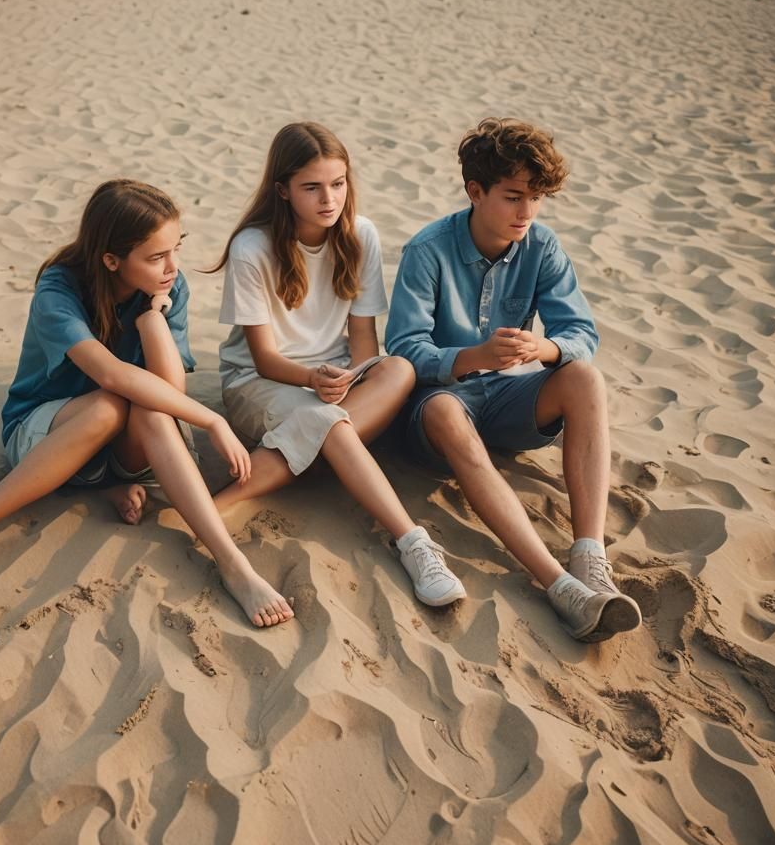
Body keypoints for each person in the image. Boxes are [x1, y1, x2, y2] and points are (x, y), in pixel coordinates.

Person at [0, 179, 293, 628]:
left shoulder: (169, 285)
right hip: (47, 432)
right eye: (156, 256)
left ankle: (234, 566)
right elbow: (111, 376)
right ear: (111, 260)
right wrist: (213, 421)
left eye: (177, 248)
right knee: (110, 404)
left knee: (149, 406)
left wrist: (152, 318)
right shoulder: (59, 289)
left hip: (132, 443)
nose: (173, 265)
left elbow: (171, 394)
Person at [385, 118, 642, 641]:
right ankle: (561, 587)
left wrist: (544, 347)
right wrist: (475, 356)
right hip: (437, 412)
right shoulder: (427, 250)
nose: (527, 211)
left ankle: (590, 560)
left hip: (505, 402)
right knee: (441, 408)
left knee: (585, 380)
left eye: (537, 198)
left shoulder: (541, 246)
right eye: (514, 196)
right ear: (475, 191)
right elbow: (404, 349)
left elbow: (579, 332)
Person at [210, 122, 465, 607]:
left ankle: (308, 453)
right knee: (329, 424)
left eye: (338, 184)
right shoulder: (251, 248)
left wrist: (354, 374)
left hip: (334, 381)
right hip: (259, 382)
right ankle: (413, 543)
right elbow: (263, 359)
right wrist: (312, 380)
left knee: (400, 370)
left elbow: (365, 343)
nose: (329, 199)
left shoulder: (360, 234)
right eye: (312, 187)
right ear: (282, 190)